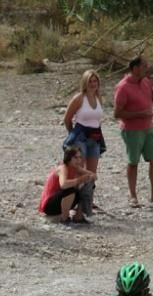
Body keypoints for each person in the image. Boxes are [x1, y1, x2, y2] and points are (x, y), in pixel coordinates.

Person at [113, 56, 153, 208]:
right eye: (144, 66)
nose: (147, 69)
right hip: (132, 130)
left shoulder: (146, 82)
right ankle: (132, 195)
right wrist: (139, 114)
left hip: (148, 128)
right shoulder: (123, 87)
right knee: (133, 162)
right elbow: (117, 113)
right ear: (135, 68)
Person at [62, 69, 106, 215]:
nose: (93, 84)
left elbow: (98, 120)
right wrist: (72, 135)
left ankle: (88, 203)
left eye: (95, 81)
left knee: (91, 172)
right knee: (79, 171)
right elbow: (67, 118)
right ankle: (76, 204)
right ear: (85, 83)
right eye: (90, 81)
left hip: (95, 137)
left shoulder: (99, 98)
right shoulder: (79, 98)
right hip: (81, 135)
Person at [38, 146, 97, 223]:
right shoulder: (63, 168)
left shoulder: (76, 168)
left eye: (80, 157)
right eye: (76, 158)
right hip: (49, 205)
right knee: (70, 189)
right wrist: (80, 179)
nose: (79, 160)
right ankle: (64, 218)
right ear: (69, 158)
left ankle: (78, 216)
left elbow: (94, 176)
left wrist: (89, 177)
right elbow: (63, 185)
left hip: (61, 201)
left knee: (88, 185)